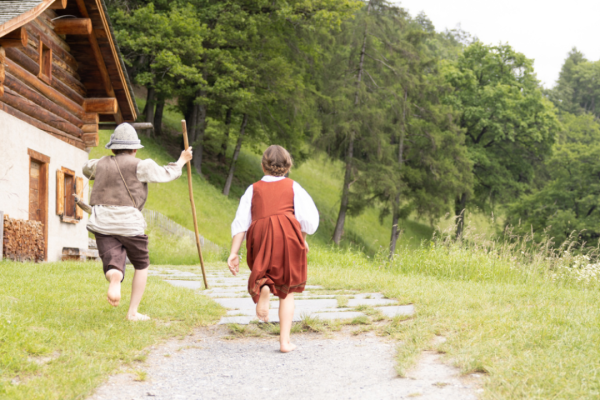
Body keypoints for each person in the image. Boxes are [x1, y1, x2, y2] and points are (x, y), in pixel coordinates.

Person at [82, 123, 193, 321]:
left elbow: (86, 168)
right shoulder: (141, 165)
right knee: (141, 264)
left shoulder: (99, 163)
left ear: (113, 148)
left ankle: (115, 277)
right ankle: (132, 312)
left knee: (112, 259)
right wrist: (182, 160)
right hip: (130, 224)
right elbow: (167, 174)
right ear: (135, 149)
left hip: (102, 223)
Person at [228, 145, 319, 352]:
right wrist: (302, 238)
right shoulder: (294, 187)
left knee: (264, 270)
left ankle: (265, 287)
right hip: (287, 234)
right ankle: (285, 342)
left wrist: (234, 253)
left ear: (263, 166)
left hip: (259, 234)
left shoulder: (253, 189)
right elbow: (308, 219)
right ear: (288, 167)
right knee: (287, 291)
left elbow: (241, 222)